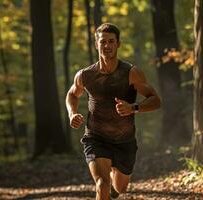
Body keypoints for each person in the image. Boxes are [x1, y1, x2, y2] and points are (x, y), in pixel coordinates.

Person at [65, 23, 161, 199]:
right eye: (103, 42)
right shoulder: (85, 75)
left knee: (120, 188)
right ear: (96, 44)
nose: (107, 46)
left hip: (124, 140)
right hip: (96, 137)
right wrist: (72, 113)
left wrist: (133, 108)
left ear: (118, 44)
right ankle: (106, 180)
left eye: (111, 41)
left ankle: (114, 183)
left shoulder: (131, 73)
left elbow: (155, 101)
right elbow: (72, 94)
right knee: (102, 185)